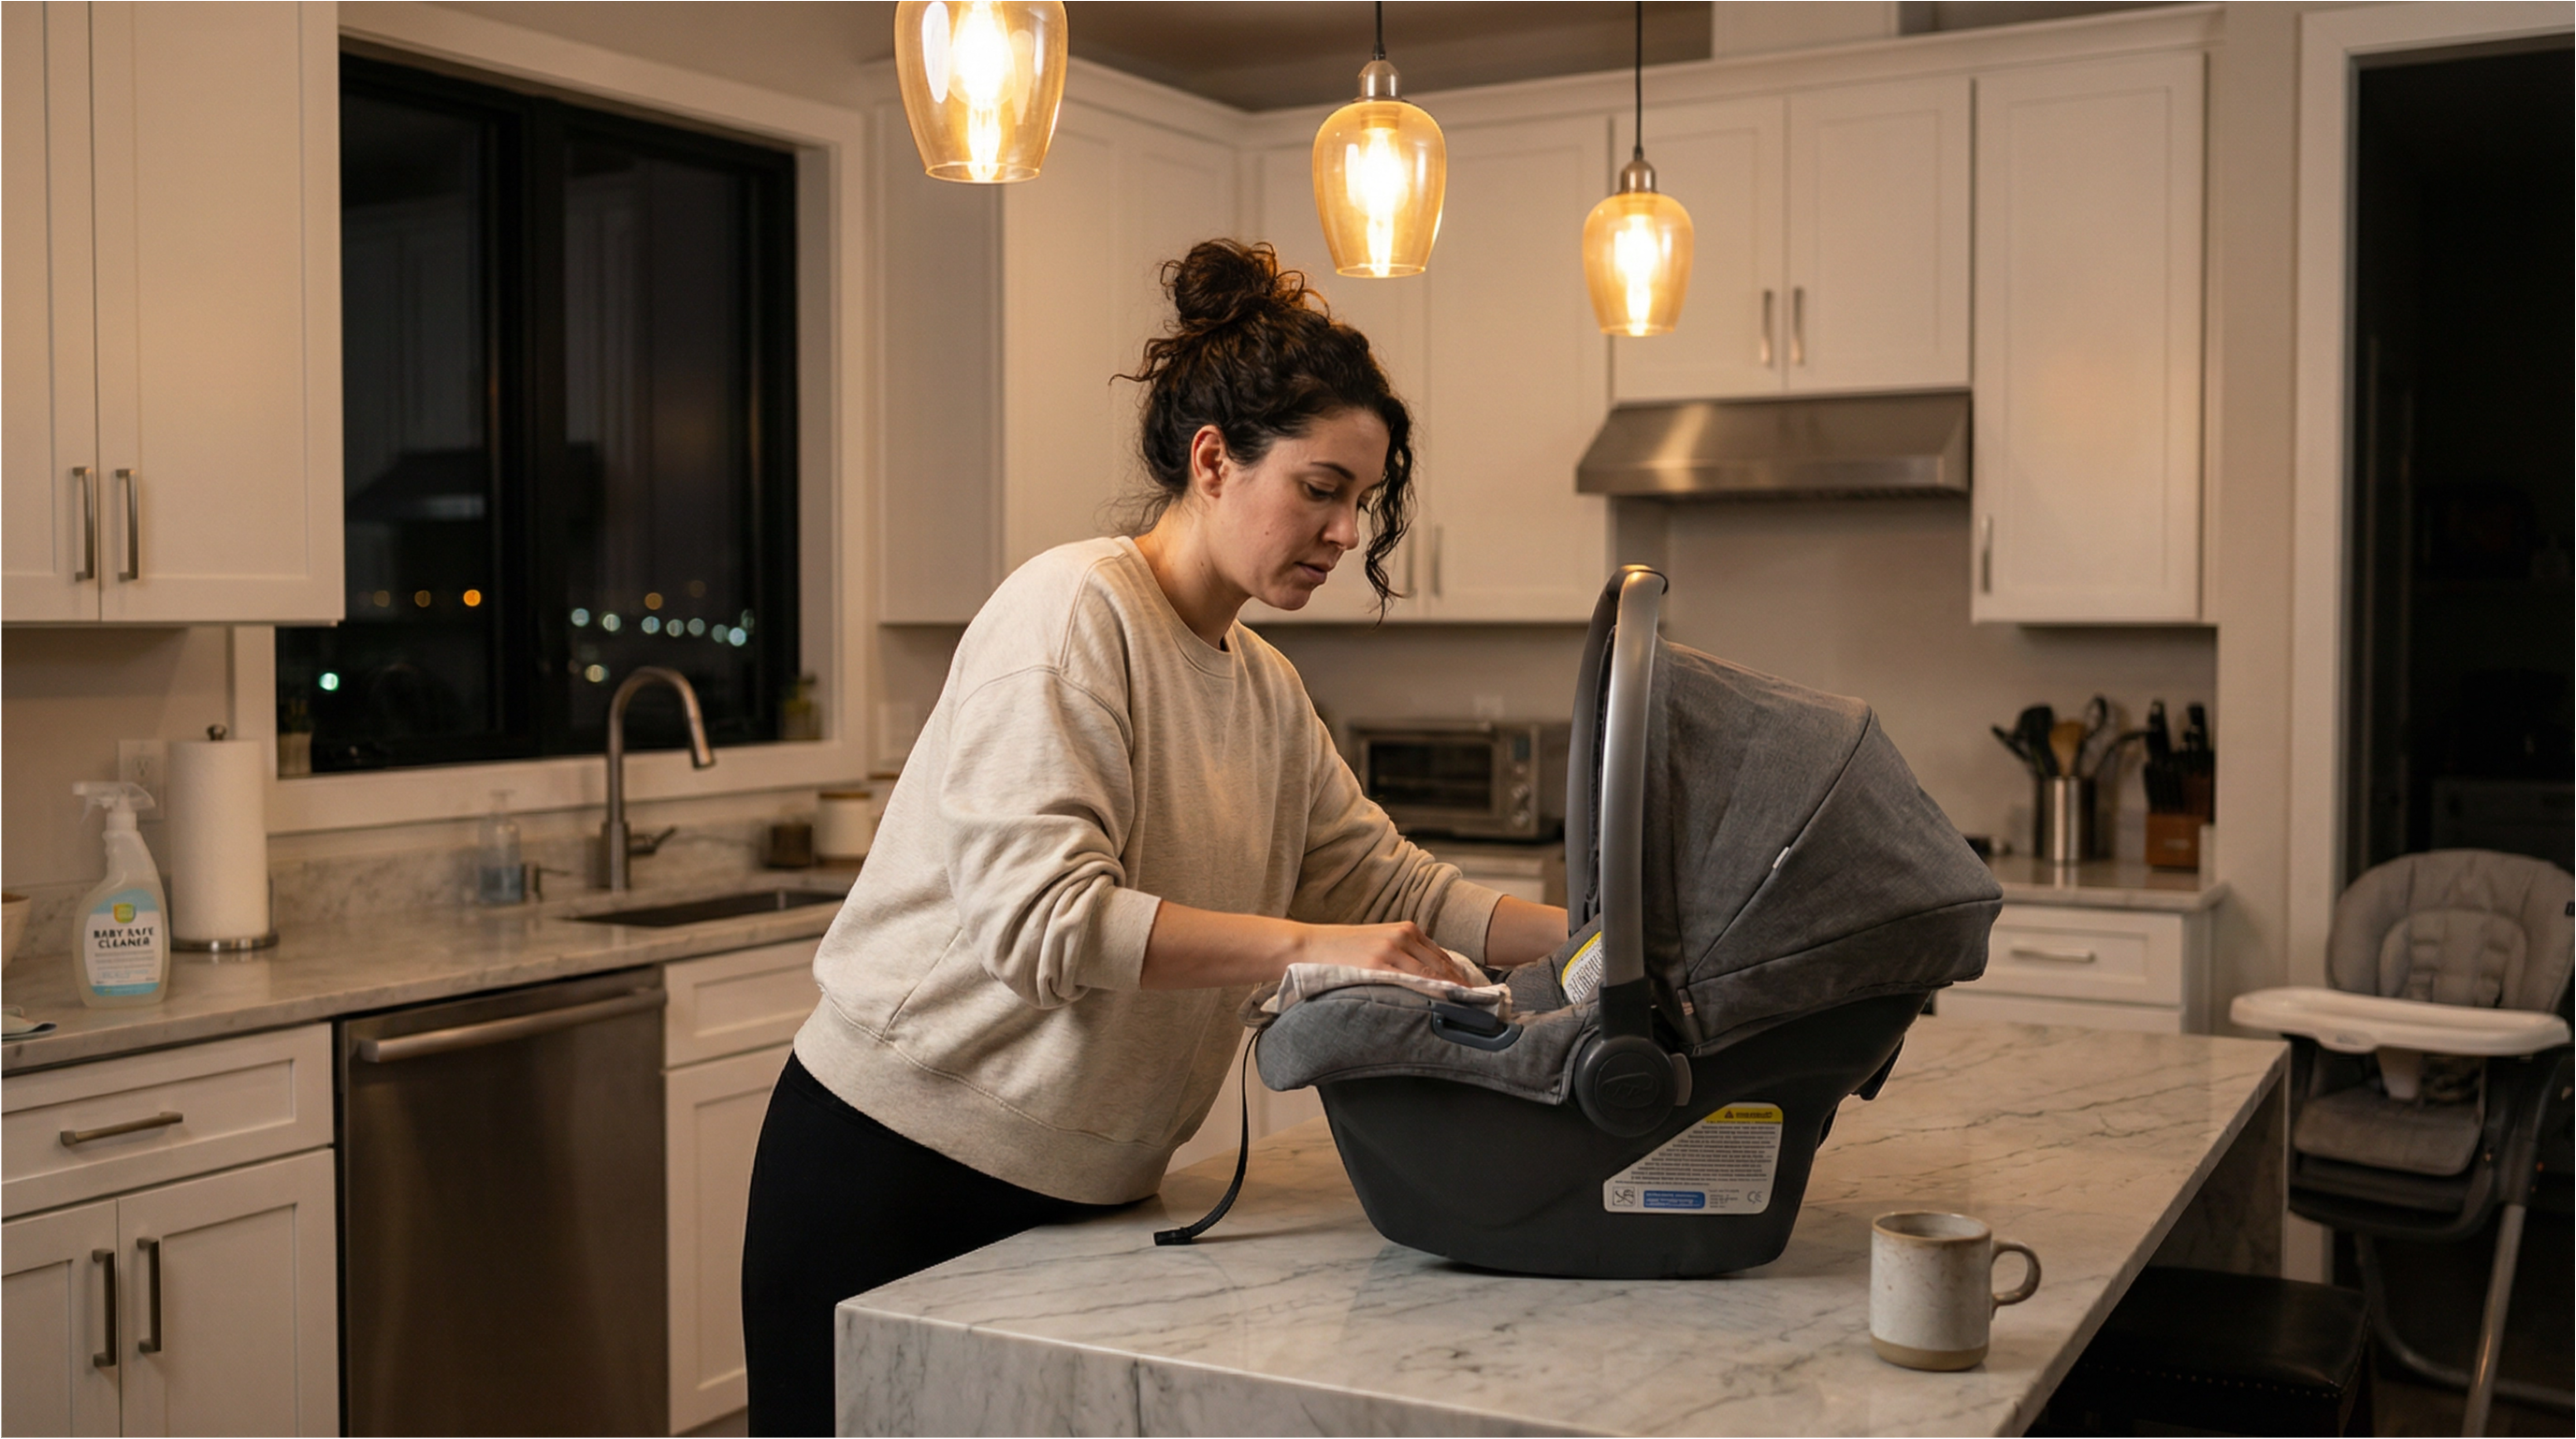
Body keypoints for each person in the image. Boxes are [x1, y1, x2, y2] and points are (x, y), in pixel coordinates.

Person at [739, 239, 1570, 1435]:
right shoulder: (1073, 612)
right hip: (895, 1167)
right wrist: (1321, 947)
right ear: (1215, 458)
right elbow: (1044, 923)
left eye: (1364, 502)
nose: (1345, 531)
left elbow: (1396, 880)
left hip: (1089, 1185)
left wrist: (1610, 931)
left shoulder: (1265, 685)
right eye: (1323, 487)